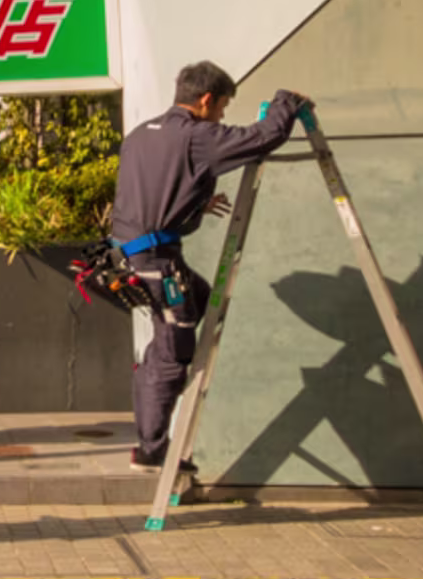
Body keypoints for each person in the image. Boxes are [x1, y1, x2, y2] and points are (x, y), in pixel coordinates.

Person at [111, 63, 311, 472]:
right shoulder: (195, 136)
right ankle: (151, 449)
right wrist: (286, 101)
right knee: (173, 352)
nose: (221, 117)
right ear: (206, 100)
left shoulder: (141, 134)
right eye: (221, 108)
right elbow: (264, 137)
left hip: (129, 255)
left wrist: (194, 203)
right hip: (156, 263)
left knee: (198, 299)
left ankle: (154, 376)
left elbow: (150, 191)